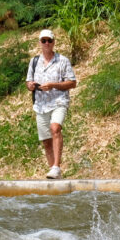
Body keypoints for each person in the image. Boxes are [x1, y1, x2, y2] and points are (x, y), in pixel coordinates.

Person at [25, 29, 77, 179]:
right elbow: (28, 81)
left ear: (54, 42)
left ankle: (56, 167)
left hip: (58, 101)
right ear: (40, 43)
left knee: (55, 128)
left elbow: (72, 83)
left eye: (49, 40)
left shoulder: (63, 61)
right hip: (41, 104)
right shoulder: (34, 61)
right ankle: (52, 171)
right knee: (46, 140)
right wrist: (31, 86)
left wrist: (54, 85)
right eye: (43, 41)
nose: (46, 43)